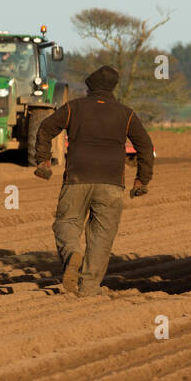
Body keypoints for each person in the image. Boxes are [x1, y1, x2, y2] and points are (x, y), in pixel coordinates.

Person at [32, 65, 154, 296]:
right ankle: (88, 288)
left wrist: (43, 161)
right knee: (101, 236)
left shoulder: (74, 108)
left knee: (66, 223)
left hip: (77, 178)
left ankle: (72, 254)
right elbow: (145, 146)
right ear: (113, 88)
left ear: (89, 87)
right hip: (111, 184)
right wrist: (142, 179)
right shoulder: (125, 114)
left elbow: (46, 128)